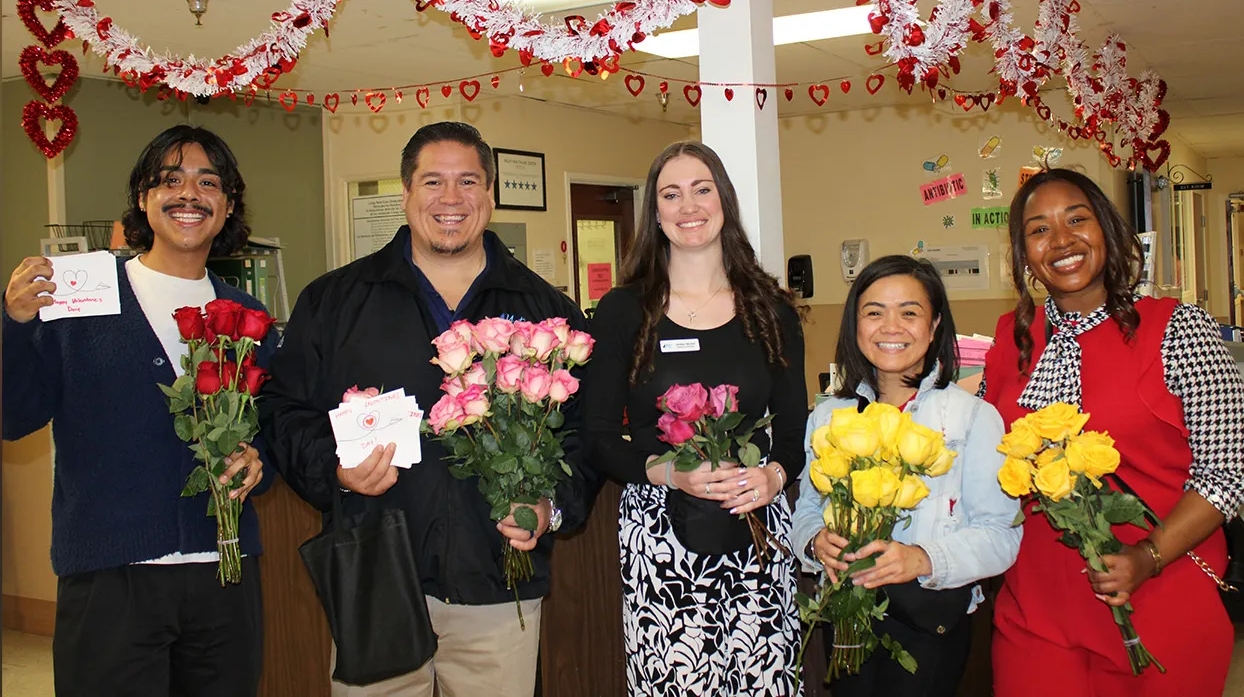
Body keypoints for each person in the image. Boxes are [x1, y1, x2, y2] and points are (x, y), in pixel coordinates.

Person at [257, 120, 596, 697]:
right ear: (406, 193)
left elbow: (584, 434)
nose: (451, 199)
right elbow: (284, 411)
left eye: (468, 182)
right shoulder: (335, 302)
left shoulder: (546, 312)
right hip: (375, 577)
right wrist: (333, 471)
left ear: (489, 194)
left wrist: (550, 505)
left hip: (497, 585)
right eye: (432, 182)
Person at [3, 125, 274, 696]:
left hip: (224, 574)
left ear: (228, 205)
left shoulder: (247, 314)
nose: (189, 195)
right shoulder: (83, 299)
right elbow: (13, 416)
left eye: (208, 182)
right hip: (111, 573)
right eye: (169, 180)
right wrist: (15, 325)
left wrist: (259, 459)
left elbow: (270, 424)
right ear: (144, 200)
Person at [982, 168, 1244, 696]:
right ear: (1022, 252)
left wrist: (1146, 557)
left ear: (1106, 227)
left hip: (1160, 599)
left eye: (1076, 219)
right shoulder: (1011, 337)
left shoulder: (1178, 328)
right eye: (1038, 229)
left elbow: (1227, 473)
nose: (1060, 241)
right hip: (1035, 613)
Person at [581, 140, 807, 696]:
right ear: (654, 213)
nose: (689, 206)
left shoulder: (770, 309)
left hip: (755, 529)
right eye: (671, 194)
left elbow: (796, 427)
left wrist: (773, 475)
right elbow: (599, 436)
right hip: (660, 538)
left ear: (724, 201)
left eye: (702, 190)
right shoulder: (622, 311)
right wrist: (669, 472)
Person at [790, 255, 1020, 697]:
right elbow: (807, 510)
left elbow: (1001, 534)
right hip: (845, 620)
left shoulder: (972, 417)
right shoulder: (827, 417)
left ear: (934, 326)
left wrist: (921, 558)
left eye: (909, 313)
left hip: (928, 623)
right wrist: (816, 542)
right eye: (873, 312)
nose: (890, 327)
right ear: (855, 326)